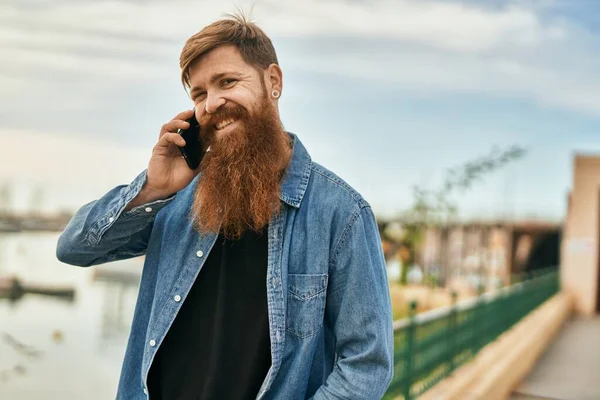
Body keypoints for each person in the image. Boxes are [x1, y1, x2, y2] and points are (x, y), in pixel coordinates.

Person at [56, 14, 393, 400]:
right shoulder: (174, 196)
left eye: (228, 82)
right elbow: (73, 248)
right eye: (198, 94)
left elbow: (366, 365)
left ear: (273, 82)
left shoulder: (341, 213)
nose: (213, 103)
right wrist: (151, 189)